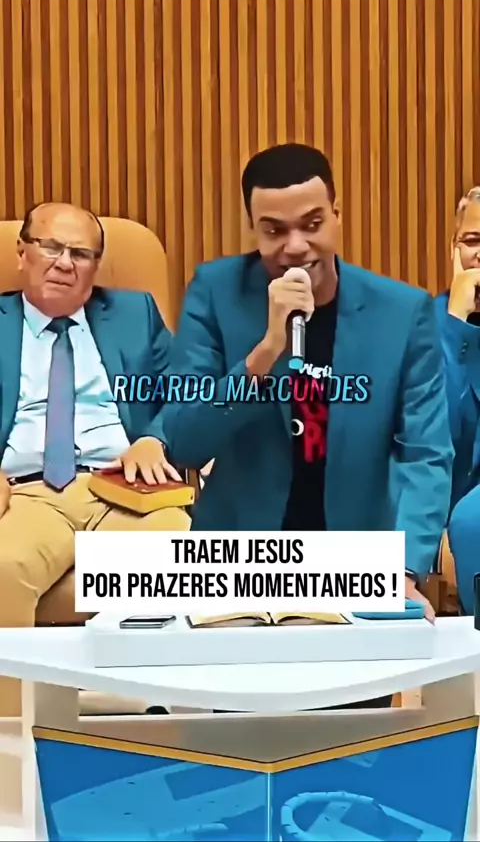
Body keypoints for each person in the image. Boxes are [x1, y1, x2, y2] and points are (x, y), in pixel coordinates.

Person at [156, 143, 453, 613]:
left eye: (312, 225)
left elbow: (425, 452)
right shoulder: (215, 293)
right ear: (253, 228)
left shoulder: (401, 312)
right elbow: (185, 440)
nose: (295, 246)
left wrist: (403, 569)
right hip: (239, 557)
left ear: (337, 215)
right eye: (274, 230)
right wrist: (265, 352)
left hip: (357, 557)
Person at [0, 202, 190, 716]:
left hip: (125, 485)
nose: (65, 263)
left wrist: (156, 439)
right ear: (22, 253)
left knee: (175, 554)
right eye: (51, 247)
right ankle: (12, 735)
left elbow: (187, 390)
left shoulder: (135, 314)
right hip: (24, 493)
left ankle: (160, 730)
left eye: (81, 254)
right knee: (3, 565)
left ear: (95, 266)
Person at [437, 187, 480, 615]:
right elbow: (434, 435)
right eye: (472, 241)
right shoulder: (425, 326)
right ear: (454, 249)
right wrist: (456, 325)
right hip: (441, 511)